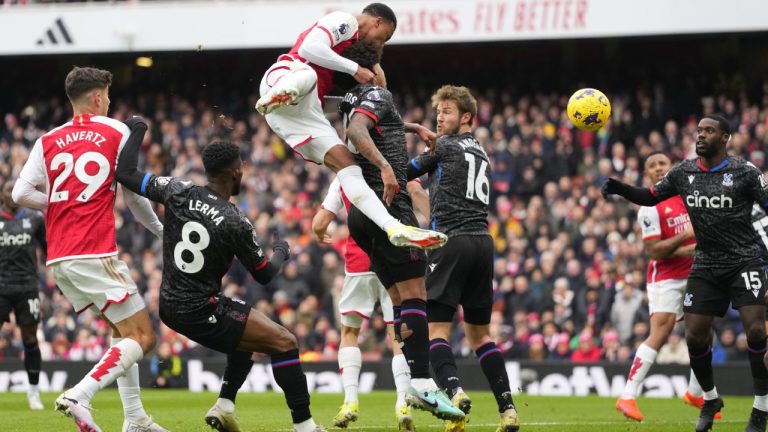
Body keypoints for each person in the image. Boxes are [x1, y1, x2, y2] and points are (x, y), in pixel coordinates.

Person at [115, 123, 325, 432]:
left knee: (245, 333)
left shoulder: (178, 190)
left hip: (170, 303)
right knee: (284, 342)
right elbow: (265, 274)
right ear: (236, 172)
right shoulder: (235, 221)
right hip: (199, 309)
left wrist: (138, 130)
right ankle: (305, 427)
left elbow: (126, 174)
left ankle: (225, 405)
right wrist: (281, 251)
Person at [12, 66, 167, 432]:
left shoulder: (47, 139)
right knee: (143, 337)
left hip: (60, 256)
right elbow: (132, 194)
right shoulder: (117, 130)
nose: (110, 103)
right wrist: (161, 231)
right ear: (98, 98)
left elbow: (20, 194)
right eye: (108, 98)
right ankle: (79, 395)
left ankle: (135, 418)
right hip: (94, 251)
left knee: (121, 330)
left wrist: (59, 202)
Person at [602, 114, 768, 432]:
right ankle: (709, 399)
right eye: (699, 130)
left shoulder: (745, 172)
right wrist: (620, 188)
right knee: (694, 335)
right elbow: (650, 196)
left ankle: (760, 409)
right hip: (705, 264)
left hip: (744, 262)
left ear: (726, 138)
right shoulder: (684, 172)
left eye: (709, 131)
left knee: (757, 332)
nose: (701, 135)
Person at [336, 41, 464, 422]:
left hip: (361, 214)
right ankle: (423, 385)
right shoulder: (377, 92)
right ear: (374, 69)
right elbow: (361, 131)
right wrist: (387, 168)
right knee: (416, 295)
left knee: (399, 302)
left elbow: (365, 126)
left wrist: (413, 127)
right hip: (387, 204)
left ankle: (412, 385)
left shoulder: (352, 97)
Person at [255, 3, 447, 252]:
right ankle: (280, 93)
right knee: (308, 76)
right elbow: (308, 48)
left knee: (350, 168)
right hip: (284, 76)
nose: (382, 44)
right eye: (385, 36)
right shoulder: (346, 21)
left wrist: (411, 127)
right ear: (377, 21)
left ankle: (394, 228)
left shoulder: (343, 55)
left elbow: (332, 104)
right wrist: (354, 69)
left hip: (299, 112)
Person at [406, 85, 520, 432]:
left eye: (448, 112)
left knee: (437, 330)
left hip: (451, 242)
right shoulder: (481, 151)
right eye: (438, 112)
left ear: (466, 117)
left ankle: (455, 394)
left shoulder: (445, 147)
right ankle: (508, 410)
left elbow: (404, 172)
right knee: (480, 336)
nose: (440, 118)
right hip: (483, 243)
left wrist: (402, 138)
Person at [312, 177, 428, 431]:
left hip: (358, 262)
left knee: (349, 331)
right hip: (394, 260)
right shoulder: (393, 169)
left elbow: (320, 222)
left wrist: (320, 234)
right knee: (396, 334)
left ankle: (350, 401)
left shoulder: (344, 175)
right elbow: (417, 194)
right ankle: (402, 404)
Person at [615, 151, 714, 422]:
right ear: (647, 174)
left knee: (705, 329)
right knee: (661, 330)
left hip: (695, 273)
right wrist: (687, 239)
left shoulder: (688, 196)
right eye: (652, 166)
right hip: (666, 278)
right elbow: (655, 251)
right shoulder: (649, 207)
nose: (658, 169)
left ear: (671, 169)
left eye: (662, 164)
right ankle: (627, 395)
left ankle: (696, 392)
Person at [0, 180, 46, 410]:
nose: (13, 194)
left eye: (15, 189)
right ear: (2, 195)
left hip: (27, 286)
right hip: (0, 287)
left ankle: (34, 392)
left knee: (30, 339)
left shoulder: (35, 219)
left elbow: (47, 250)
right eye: (9, 190)